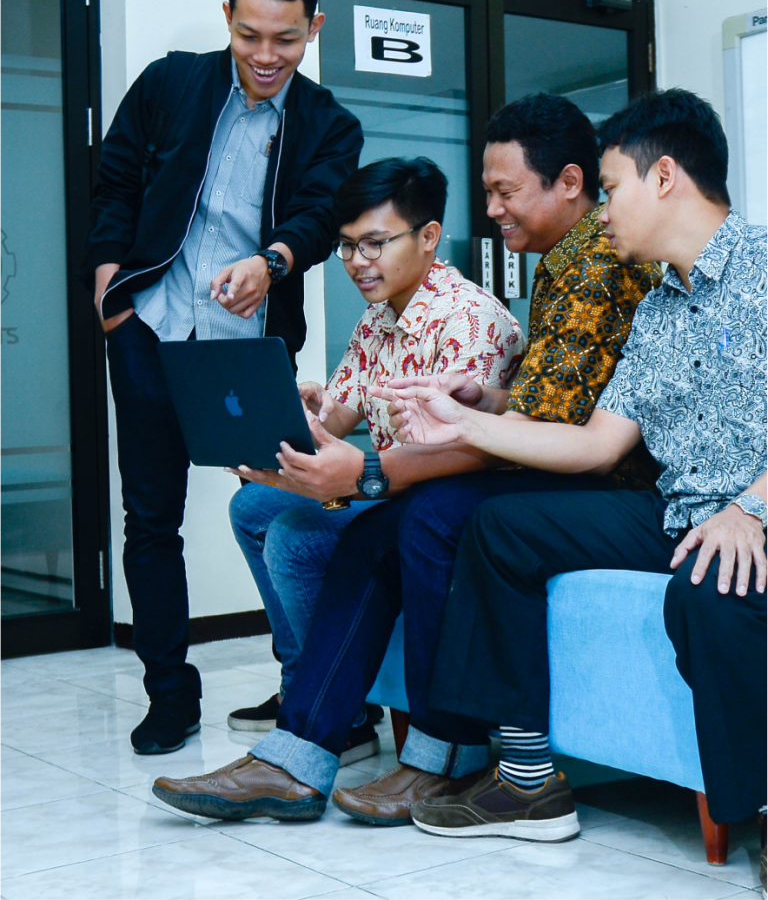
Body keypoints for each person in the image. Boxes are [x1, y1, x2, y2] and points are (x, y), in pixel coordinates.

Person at [150, 93, 661, 823]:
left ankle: (430, 752)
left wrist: (370, 471)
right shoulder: (562, 265)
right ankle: (304, 750)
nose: (491, 209)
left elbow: (552, 435)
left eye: (505, 191)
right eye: (347, 245)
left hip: (597, 484)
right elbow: (550, 406)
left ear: (572, 183)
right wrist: (485, 400)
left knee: (418, 520)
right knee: (342, 522)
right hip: (559, 466)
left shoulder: (577, 268)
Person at [378, 88, 766, 841]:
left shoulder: (762, 270)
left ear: (664, 178)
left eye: (611, 189)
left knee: (711, 593)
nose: (604, 211)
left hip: (748, 512)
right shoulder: (659, 307)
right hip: (677, 512)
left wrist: (749, 508)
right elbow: (595, 444)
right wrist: (466, 422)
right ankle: (526, 783)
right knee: (501, 528)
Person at [80, 0, 363, 755]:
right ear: (228, 19)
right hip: (151, 331)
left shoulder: (330, 125)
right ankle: (169, 695)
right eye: (249, 36)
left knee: (290, 502)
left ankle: (314, 682)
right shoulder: (172, 84)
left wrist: (272, 262)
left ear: (314, 27)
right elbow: (115, 178)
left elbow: (319, 215)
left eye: (286, 39)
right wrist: (110, 291)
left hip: (247, 348)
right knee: (149, 520)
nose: (266, 56)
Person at [223, 155, 524, 764]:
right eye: (347, 246)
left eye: (375, 244)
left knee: (295, 537)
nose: (358, 261)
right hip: (385, 486)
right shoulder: (379, 318)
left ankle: (333, 708)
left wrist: (349, 473)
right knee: (253, 506)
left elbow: (464, 453)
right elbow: (336, 415)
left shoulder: (471, 320)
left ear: (429, 237)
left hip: (444, 500)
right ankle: (314, 688)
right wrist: (290, 421)